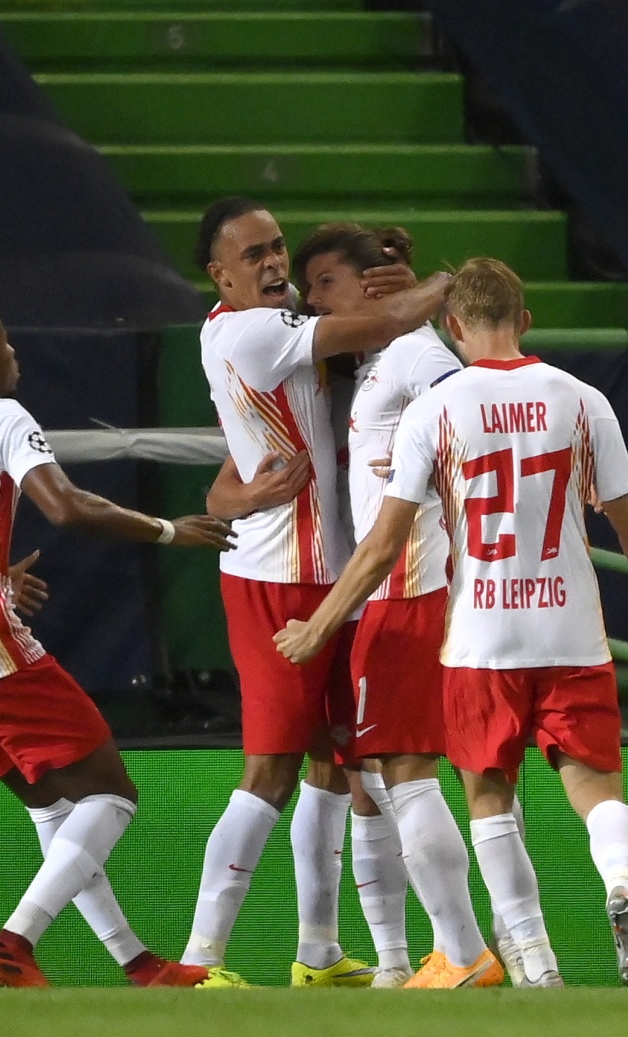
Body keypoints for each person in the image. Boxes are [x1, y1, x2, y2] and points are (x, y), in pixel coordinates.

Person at [275, 257, 628, 988]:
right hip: (571, 630)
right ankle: (620, 884)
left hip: (481, 637)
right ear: (524, 320)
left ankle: (535, 962)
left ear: (453, 328)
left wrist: (319, 624)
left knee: (489, 797)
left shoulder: (436, 409)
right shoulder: (582, 400)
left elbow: (384, 542)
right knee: (598, 790)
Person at [0, 290, 235, 988]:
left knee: (56, 807)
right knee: (112, 795)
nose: (15, 357)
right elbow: (66, 506)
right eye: (6, 347)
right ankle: (12, 942)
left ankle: (137, 961)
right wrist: (170, 529)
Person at [184, 197, 450, 988]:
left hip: (330, 578)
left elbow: (234, 472)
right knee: (268, 769)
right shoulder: (251, 332)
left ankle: (319, 952)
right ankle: (201, 960)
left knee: (338, 766)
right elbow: (373, 326)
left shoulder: (267, 320)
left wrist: (222, 497)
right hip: (278, 581)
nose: (272, 266)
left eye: (277, 250)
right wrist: (442, 280)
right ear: (218, 276)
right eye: (254, 256)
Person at [294, 223, 503, 989]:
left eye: (324, 284)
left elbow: (475, 435)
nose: (312, 301)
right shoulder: (379, 362)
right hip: (398, 593)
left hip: (417, 588)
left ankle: (464, 948)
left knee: (408, 771)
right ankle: (449, 951)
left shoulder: (417, 355)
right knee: (391, 774)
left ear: (372, 286)